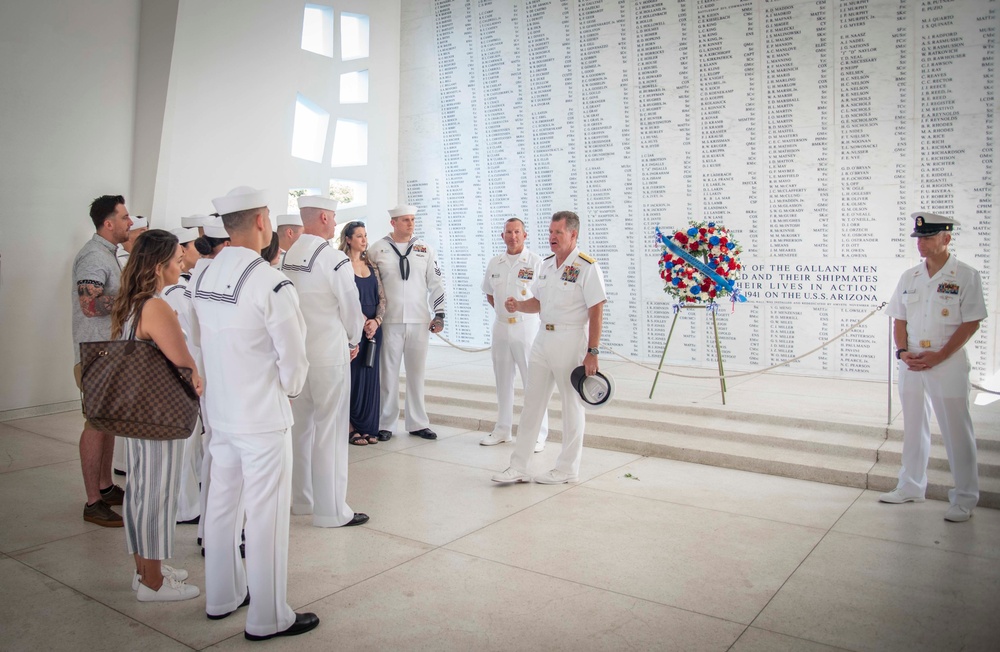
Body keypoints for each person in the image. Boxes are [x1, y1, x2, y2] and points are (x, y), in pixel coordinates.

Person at [192, 186, 317, 640]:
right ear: (263, 221)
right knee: (265, 515)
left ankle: (221, 596)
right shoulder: (269, 281)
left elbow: (196, 343)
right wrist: (288, 390)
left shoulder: (201, 276)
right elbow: (294, 358)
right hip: (262, 417)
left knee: (222, 505)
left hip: (221, 413)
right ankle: (268, 616)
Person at [109, 229, 204, 601]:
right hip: (158, 415)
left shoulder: (132, 302)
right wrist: (197, 376)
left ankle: (145, 570)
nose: (182, 264)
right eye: (177, 260)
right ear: (159, 265)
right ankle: (153, 583)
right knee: (157, 494)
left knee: (141, 491)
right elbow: (182, 361)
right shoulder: (156, 306)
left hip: (137, 412)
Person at [881, 212, 987, 522]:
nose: (921, 244)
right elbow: (899, 318)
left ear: (946, 238)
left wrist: (939, 356)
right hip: (912, 362)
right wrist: (902, 352)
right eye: (919, 238)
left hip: (947, 363)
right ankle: (911, 485)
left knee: (957, 431)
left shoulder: (965, 275)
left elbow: (972, 323)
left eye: (928, 237)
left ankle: (965, 498)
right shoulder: (910, 277)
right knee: (914, 426)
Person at [492, 211, 607, 485]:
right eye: (551, 232)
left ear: (573, 235)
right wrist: (519, 305)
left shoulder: (586, 266)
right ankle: (518, 466)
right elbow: (539, 303)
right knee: (532, 403)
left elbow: (597, 311)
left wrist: (593, 351)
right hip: (543, 338)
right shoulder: (545, 265)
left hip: (570, 340)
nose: (552, 237)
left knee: (571, 406)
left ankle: (567, 468)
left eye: (558, 232)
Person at [282, 195, 367, 527]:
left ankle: (302, 500)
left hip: (298, 355)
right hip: (330, 354)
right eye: (331, 217)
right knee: (329, 431)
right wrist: (353, 339)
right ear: (321, 218)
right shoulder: (334, 259)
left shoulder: (288, 256)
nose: (334, 223)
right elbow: (350, 306)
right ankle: (331, 510)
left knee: (300, 430)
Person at [72, 194, 131, 527]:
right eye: (124, 217)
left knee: (106, 422)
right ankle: (93, 502)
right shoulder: (94, 256)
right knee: (95, 424)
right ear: (108, 224)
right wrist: (131, 297)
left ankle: (106, 487)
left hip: (108, 351)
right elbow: (89, 305)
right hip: (95, 353)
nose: (130, 222)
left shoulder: (108, 254)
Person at [366, 204, 446, 441]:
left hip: (419, 320)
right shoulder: (377, 249)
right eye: (404, 220)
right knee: (388, 375)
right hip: (388, 321)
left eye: (412, 219)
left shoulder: (424, 249)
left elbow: (436, 282)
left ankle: (418, 423)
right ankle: (386, 423)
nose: (410, 224)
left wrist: (439, 313)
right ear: (393, 223)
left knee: (416, 374)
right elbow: (370, 285)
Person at [481, 218, 549, 452]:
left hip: (526, 326)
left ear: (525, 234)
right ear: (502, 236)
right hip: (501, 327)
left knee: (534, 381)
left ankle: (538, 435)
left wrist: (519, 307)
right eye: (508, 232)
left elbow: (542, 299)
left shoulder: (536, 262)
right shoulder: (495, 263)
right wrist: (503, 310)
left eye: (517, 232)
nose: (513, 236)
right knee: (502, 380)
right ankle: (502, 429)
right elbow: (490, 294)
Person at [163, 227, 203, 526]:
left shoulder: (172, 290)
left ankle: (187, 503)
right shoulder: (173, 293)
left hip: (175, 376)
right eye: (178, 258)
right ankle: (183, 507)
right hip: (178, 377)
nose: (183, 262)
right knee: (184, 442)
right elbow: (187, 338)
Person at [338, 221, 386, 445]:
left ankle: (367, 426)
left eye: (365, 235)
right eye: (359, 236)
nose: (364, 240)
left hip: (373, 330)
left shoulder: (372, 265)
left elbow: (382, 298)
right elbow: (341, 299)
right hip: (352, 328)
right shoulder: (341, 264)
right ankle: (349, 426)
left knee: (369, 378)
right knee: (353, 378)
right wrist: (361, 320)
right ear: (348, 239)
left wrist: (376, 321)